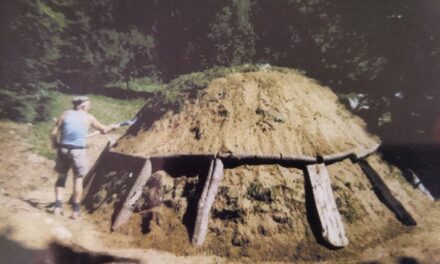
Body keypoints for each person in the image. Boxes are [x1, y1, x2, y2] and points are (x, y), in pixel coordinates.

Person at [50, 96, 117, 219]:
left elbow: (53, 133)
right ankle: (75, 211)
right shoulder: (88, 117)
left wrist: (55, 144)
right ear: (83, 106)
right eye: (88, 105)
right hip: (78, 151)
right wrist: (113, 126)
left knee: (61, 177)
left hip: (63, 149)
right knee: (78, 179)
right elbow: (104, 130)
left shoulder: (64, 115)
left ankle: (57, 207)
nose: (90, 107)